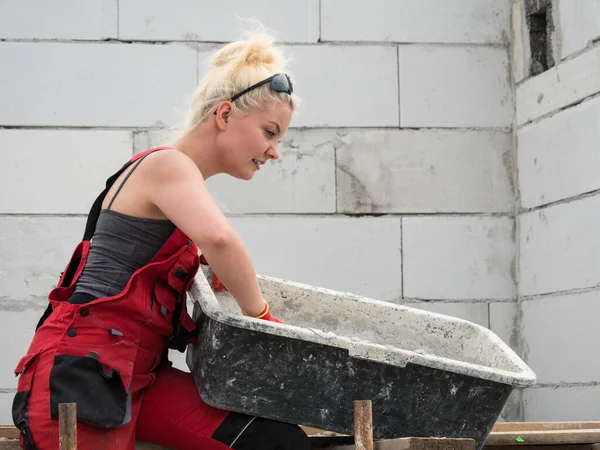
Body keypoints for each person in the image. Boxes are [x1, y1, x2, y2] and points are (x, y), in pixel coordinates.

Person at [11, 31, 310, 450]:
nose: (275, 151)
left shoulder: (178, 190)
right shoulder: (167, 165)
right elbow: (222, 239)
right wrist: (261, 318)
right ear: (224, 114)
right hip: (84, 374)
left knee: (276, 441)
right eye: (269, 132)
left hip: (141, 376)